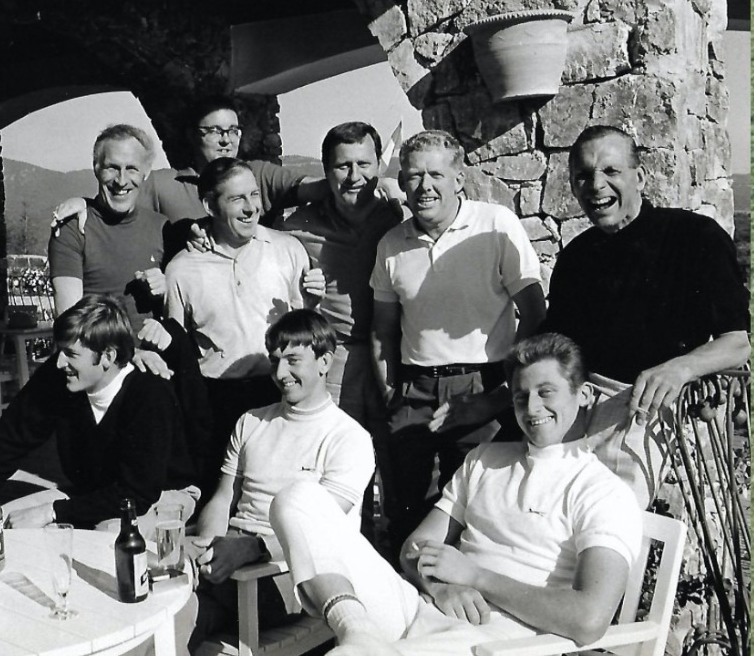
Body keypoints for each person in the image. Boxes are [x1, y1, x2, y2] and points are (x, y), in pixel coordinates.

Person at [269, 333, 641, 655]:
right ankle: (359, 631)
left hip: (501, 638)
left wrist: (475, 577)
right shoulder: (486, 459)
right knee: (298, 498)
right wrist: (436, 586)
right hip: (425, 605)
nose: (532, 408)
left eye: (547, 393)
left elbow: (589, 618)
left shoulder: (603, 492)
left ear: (585, 394)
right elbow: (414, 548)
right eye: (521, 396)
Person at [543, 125, 750, 504]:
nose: (596, 185)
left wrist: (680, 368)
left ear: (639, 177)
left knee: (606, 518)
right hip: (577, 405)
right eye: (583, 176)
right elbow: (556, 348)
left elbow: (737, 343)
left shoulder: (693, 236)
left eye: (610, 171)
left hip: (643, 409)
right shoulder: (575, 257)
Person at [369, 130, 546, 555]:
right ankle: (409, 608)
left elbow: (535, 313)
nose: (424, 186)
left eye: (435, 174)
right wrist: (391, 389)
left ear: (458, 179)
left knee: (477, 509)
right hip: (414, 388)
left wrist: (504, 392)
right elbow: (383, 328)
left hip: (481, 386)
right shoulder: (392, 244)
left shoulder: (495, 224)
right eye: (413, 176)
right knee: (404, 507)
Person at [185, 309, 375, 652]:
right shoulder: (251, 422)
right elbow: (223, 497)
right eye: (275, 361)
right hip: (234, 563)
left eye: (293, 360)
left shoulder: (349, 438)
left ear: (324, 361)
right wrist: (209, 548)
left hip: (293, 574)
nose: (280, 373)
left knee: (179, 613)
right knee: (164, 614)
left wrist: (249, 549)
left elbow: (319, 531)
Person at [164, 158, 324, 500]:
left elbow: (303, 328)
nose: (251, 207)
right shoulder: (182, 269)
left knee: (279, 494)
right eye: (237, 199)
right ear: (209, 205)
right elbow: (178, 350)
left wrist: (311, 303)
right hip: (216, 402)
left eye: (254, 194)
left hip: (278, 392)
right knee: (220, 497)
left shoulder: (287, 250)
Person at [0, 295, 198, 530]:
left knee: (109, 537)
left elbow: (138, 493)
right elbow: (10, 437)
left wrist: (52, 512)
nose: (60, 363)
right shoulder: (60, 377)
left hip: (162, 495)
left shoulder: (149, 393)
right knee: (1, 522)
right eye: (60, 351)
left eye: (71, 354)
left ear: (107, 356)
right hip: (94, 494)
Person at [273, 121, 399, 434]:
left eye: (364, 164)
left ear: (378, 166)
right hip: (334, 358)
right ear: (326, 171)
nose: (355, 177)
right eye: (343, 166)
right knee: (332, 452)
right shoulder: (296, 223)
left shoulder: (398, 216)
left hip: (394, 353)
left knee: (397, 459)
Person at [52, 96, 321, 229]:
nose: (226, 140)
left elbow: (316, 188)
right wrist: (84, 203)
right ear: (193, 136)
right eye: (214, 131)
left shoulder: (259, 175)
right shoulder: (163, 184)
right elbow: (119, 203)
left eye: (232, 130)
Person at [48, 124, 172, 328]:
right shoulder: (73, 227)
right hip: (99, 357)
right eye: (112, 168)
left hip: (155, 357)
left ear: (145, 173)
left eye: (132, 168)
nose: (121, 181)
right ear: (96, 169)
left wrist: (168, 288)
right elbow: (69, 321)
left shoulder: (162, 227)